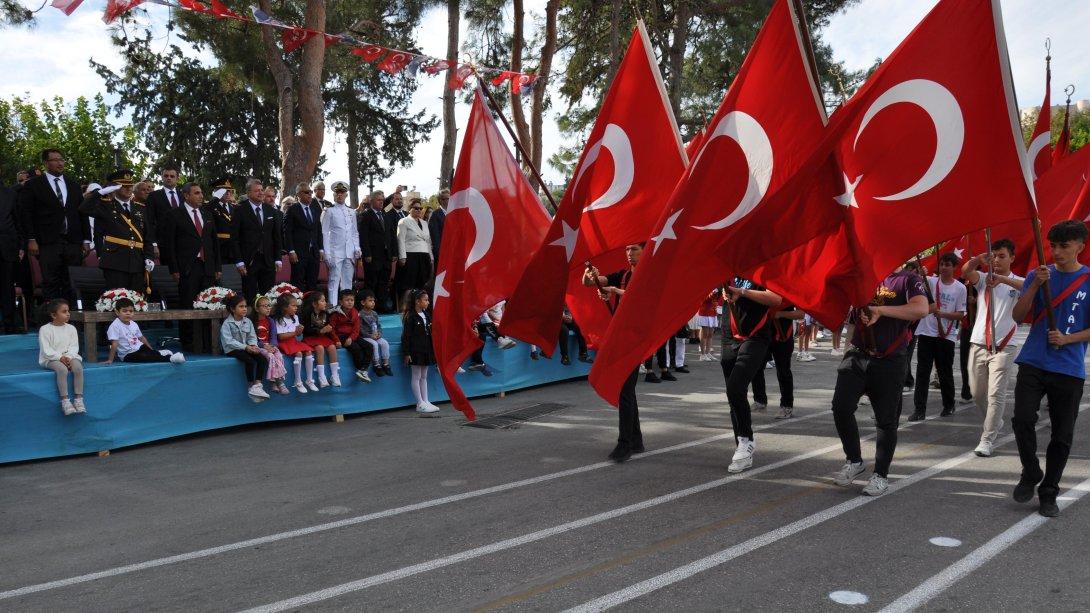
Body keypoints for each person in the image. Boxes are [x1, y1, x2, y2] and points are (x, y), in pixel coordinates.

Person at [1010, 220, 1090, 517]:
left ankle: (1049, 492)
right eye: (1053, 246)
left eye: (1064, 247)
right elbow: (1019, 316)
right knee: (1021, 419)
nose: (1056, 252)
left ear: (1080, 247)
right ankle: (1031, 471)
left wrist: (1069, 338)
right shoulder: (1038, 274)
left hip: (1068, 368)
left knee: (1061, 434)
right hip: (1033, 359)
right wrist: (1033, 286)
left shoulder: (1088, 280)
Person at [832, 266, 929, 496]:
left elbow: (922, 309)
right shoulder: (864, 276)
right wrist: (846, 350)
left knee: (886, 421)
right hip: (858, 355)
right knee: (840, 407)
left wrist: (881, 311)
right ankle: (854, 460)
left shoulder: (908, 279)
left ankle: (881, 475)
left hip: (890, 360)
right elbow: (854, 321)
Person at [583, 243, 646, 462]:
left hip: (637, 339)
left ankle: (624, 444)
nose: (630, 253)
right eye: (627, 250)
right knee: (627, 389)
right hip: (620, 338)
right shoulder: (622, 274)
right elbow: (591, 282)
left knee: (624, 389)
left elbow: (639, 297)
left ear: (645, 251)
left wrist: (615, 292)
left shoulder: (649, 274)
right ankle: (635, 440)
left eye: (635, 249)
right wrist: (589, 274)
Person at [962, 238, 1023, 457]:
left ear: (1012, 258)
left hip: (1005, 345)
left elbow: (1030, 286)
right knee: (978, 393)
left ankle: (987, 439)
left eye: (1002, 256)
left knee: (996, 394)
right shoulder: (983, 280)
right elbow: (966, 270)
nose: (997, 260)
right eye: (994, 256)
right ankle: (995, 420)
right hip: (978, 341)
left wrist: (1003, 280)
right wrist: (978, 259)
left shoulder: (1017, 281)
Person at [720, 278, 782, 473]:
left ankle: (746, 439)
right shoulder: (729, 269)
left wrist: (743, 292)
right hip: (729, 335)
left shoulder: (763, 270)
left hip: (755, 337)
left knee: (735, 387)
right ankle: (741, 444)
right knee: (733, 396)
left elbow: (776, 299)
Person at [17, 148, 90, 302]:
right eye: (55, 160)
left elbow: (82, 213)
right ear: (46, 163)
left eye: (61, 159)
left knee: (71, 281)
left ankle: (72, 319)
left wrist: (86, 240)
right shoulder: (34, 185)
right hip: (47, 242)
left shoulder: (73, 185)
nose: (60, 163)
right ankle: (52, 321)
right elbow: (26, 214)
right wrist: (31, 239)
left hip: (72, 242)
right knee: (51, 282)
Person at [160, 182, 222, 349]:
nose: (201, 196)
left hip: (207, 266)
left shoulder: (207, 214)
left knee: (209, 303)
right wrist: (173, 269)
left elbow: (213, 242)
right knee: (188, 304)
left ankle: (207, 342)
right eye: (197, 193)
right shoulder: (174, 214)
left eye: (201, 192)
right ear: (186, 195)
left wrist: (217, 267)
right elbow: (169, 244)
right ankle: (188, 343)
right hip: (187, 267)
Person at [909, 252, 967, 421]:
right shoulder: (931, 281)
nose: (944, 267)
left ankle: (949, 404)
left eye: (948, 264)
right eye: (942, 264)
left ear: (954, 267)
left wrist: (943, 314)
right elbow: (914, 283)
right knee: (922, 372)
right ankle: (919, 409)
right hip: (926, 333)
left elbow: (960, 314)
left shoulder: (960, 288)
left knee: (944, 372)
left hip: (946, 336)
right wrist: (919, 274)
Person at [79, 170, 155, 294]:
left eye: (130, 185)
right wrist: (100, 193)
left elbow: (147, 236)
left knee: (137, 301)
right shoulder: (106, 206)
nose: (128, 188)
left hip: (137, 261)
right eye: (123, 186)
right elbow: (83, 209)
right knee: (117, 299)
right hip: (115, 262)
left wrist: (149, 257)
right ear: (114, 187)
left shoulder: (140, 208)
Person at [752, 304, 803, 420]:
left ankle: (786, 406)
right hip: (763, 334)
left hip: (783, 335)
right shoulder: (761, 289)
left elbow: (801, 314)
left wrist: (780, 314)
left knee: (783, 371)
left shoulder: (789, 290)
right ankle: (760, 401)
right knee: (755, 366)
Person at [236, 178, 283, 300]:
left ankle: (266, 320)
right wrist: (239, 261)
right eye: (257, 191)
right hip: (249, 261)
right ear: (248, 193)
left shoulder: (271, 210)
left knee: (268, 296)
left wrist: (278, 258)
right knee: (250, 295)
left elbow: (277, 236)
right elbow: (235, 238)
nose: (261, 193)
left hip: (268, 260)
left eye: (262, 190)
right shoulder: (240, 210)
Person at [220, 294, 271, 402]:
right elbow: (229, 341)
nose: (244, 309)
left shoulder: (247, 321)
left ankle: (257, 386)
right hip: (232, 349)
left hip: (246, 347)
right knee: (250, 361)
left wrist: (253, 346)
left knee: (261, 359)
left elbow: (252, 336)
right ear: (233, 309)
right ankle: (250, 386)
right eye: (241, 306)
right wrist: (246, 347)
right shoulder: (227, 324)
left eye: (245, 306)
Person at [38, 298, 85, 415]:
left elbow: (74, 346)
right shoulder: (44, 329)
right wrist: (60, 357)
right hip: (51, 358)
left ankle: (79, 399)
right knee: (62, 369)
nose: (68, 314)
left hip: (69, 356)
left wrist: (68, 357)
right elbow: (46, 350)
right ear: (54, 315)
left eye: (68, 311)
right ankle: (65, 401)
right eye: (64, 312)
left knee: (78, 368)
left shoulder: (71, 328)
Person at [105, 298, 186, 364]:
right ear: (117, 312)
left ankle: (157, 353)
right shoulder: (115, 326)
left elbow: (142, 338)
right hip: (127, 354)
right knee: (144, 357)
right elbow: (114, 344)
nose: (128, 313)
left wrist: (151, 349)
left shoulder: (133, 324)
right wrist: (110, 360)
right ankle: (170, 358)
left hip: (139, 347)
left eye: (131, 311)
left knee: (148, 352)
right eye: (124, 311)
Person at [401, 287, 439, 416]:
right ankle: (419, 402)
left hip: (426, 350)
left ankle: (426, 400)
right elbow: (406, 336)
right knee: (416, 376)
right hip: (415, 351)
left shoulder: (427, 315)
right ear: (417, 301)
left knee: (424, 376)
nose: (428, 302)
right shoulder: (410, 317)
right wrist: (407, 353)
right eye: (426, 300)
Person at [322, 181, 360, 306]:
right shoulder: (329, 211)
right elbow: (324, 233)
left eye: (342, 193)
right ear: (334, 195)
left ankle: (347, 306)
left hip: (349, 252)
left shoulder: (351, 212)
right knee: (334, 280)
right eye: (337, 193)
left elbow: (354, 232)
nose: (340, 195)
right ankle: (332, 307)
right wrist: (327, 253)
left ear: (346, 195)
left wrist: (357, 247)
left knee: (347, 281)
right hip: (335, 251)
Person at [359, 191, 395, 313]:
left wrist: (393, 252)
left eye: (382, 200)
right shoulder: (366, 215)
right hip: (373, 255)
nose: (381, 202)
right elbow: (363, 236)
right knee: (372, 282)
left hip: (386, 255)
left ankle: (382, 305)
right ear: (372, 201)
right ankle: (369, 307)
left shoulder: (385, 215)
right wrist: (367, 253)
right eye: (379, 200)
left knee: (384, 282)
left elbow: (391, 235)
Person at [273, 293, 317, 393]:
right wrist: (295, 332)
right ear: (284, 307)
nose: (296, 308)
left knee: (309, 352)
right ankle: (298, 381)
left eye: (296, 306)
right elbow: (281, 336)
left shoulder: (295, 317)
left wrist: (300, 330)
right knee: (299, 353)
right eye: (293, 306)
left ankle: (310, 380)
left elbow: (297, 335)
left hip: (294, 341)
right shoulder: (279, 320)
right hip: (284, 343)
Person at [284, 182, 323, 292]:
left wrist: (321, 249)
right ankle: (298, 307)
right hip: (298, 252)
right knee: (298, 282)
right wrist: (291, 250)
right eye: (306, 192)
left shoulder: (315, 209)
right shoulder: (292, 209)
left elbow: (318, 230)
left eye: (310, 192)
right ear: (298, 195)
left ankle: (311, 306)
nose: (310, 194)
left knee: (312, 281)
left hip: (313, 252)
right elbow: (287, 232)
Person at [329, 289, 373, 383]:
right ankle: (360, 368)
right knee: (356, 348)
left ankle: (363, 370)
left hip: (352, 336)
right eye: (347, 300)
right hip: (340, 336)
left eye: (352, 300)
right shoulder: (335, 314)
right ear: (341, 302)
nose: (350, 302)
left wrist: (351, 338)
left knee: (369, 346)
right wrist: (337, 340)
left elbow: (356, 329)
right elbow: (331, 329)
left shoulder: (355, 312)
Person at [299, 292, 341, 388]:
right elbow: (306, 330)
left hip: (322, 337)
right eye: (322, 301)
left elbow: (329, 329)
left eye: (325, 300)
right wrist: (320, 331)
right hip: (310, 337)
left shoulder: (325, 313)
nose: (325, 303)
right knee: (320, 348)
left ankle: (335, 376)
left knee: (332, 347)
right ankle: (321, 376)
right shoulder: (307, 314)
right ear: (314, 304)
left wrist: (336, 340)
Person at [249, 294, 289, 395]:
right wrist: (264, 346)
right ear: (257, 309)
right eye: (264, 306)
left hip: (270, 345)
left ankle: (276, 382)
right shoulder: (252, 322)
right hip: (259, 346)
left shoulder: (270, 321)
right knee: (270, 356)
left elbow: (273, 335)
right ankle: (277, 382)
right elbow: (252, 339)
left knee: (278, 355)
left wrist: (273, 345)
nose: (268, 308)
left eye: (269, 306)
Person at [396, 197, 434, 298]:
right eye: (416, 208)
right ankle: (406, 305)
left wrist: (431, 256)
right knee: (409, 283)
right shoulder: (403, 221)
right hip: (411, 255)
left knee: (423, 282)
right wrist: (402, 257)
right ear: (410, 209)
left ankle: (421, 304)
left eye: (420, 208)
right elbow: (401, 239)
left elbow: (428, 241)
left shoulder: (425, 223)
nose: (418, 210)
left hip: (424, 255)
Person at [0, 182, 23, 333]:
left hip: (7, 246)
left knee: (7, 286)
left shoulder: (10, 194)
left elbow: (18, 221)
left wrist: (21, 245)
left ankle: (9, 324)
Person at [146, 165, 182, 257]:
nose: (169, 178)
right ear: (162, 177)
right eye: (166, 176)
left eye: (172, 176)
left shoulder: (184, 195)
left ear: (178, 178)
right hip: (163, 243)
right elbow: (149, 221)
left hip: (183, 242)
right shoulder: (153, 196)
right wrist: (154, 244)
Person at [206, 178, 240, 270]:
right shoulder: (212, 207)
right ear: (218, 192)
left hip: (233, 248)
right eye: (224, 191)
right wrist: (215, 198)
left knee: (233, 275)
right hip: (219, 246)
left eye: (229, 191)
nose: (228, 193)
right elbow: (205, 212)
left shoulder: (234, 208)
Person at [357, 289, 392, 376]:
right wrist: (370, 336)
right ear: (363, 302)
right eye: (370, 301)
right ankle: (376, 365)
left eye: (373, 301)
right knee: (374, 345)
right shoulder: (360, 314)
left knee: (385, 343)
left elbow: (378, 326)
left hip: (375, 335)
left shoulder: (374, 314)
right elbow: (360, 329)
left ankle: (386, 364)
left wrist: (379, 333)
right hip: (366, 337)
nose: (373, 302)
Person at [696, 290, 721, 360]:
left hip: (713, 313)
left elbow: (718, 299)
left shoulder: (716, 287)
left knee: (710, 334)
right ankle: (702, 355)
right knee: (705, 335)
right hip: (705, 313)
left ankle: (707, 353)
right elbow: (705, 299)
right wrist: (713, 293)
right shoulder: (705, 288)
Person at [428, 189, 448, 263]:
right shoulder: (435, 214)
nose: (448, 200)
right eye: (445, 199)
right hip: (441, 253)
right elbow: (434, 236)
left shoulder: (453, 213)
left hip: (452, 251)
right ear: (441, 200)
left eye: (449, 198)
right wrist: (438, 253)